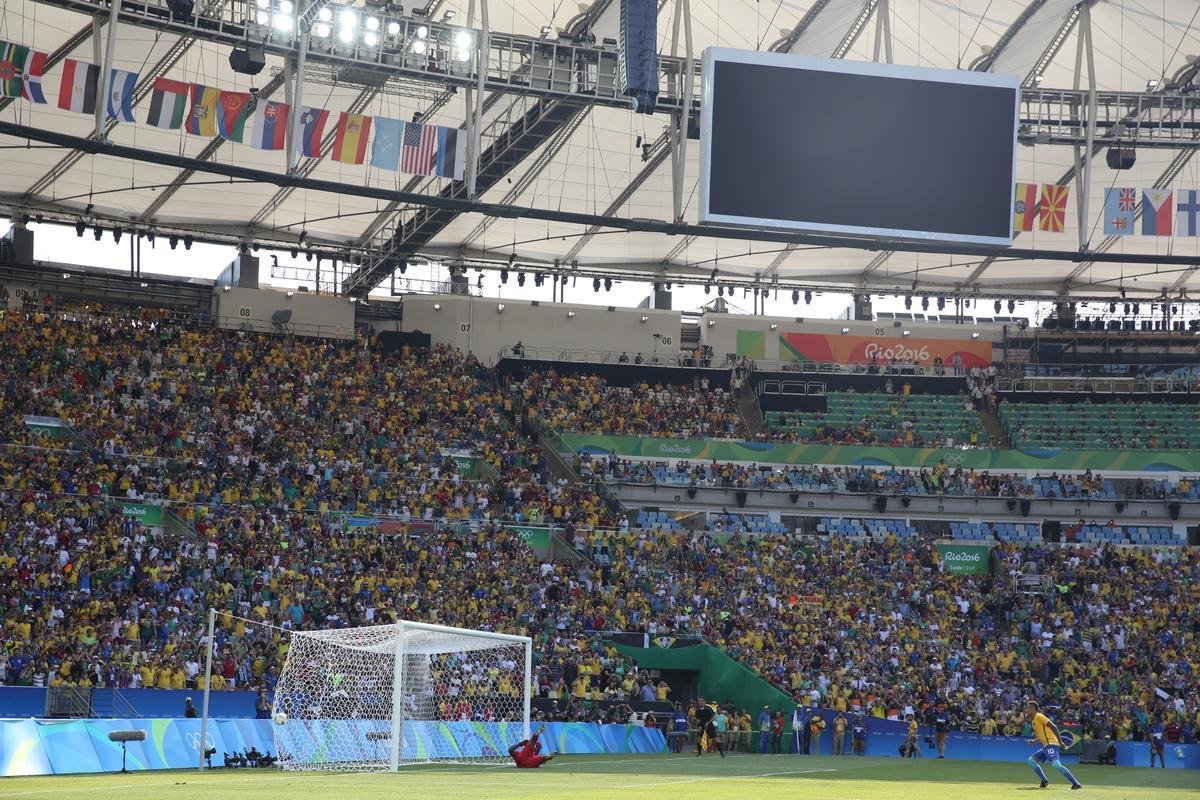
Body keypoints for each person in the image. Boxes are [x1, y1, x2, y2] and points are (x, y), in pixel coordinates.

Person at [1024, 700, 1082, 790]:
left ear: (1033, 709)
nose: (1026, 709)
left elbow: (1053, 726)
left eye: (1028, 708)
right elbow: (1042, 733)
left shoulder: (1039, 716)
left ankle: (1075, 783)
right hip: (1045, 747)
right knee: (1031, 761)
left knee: (1056, 765)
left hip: (1051, 744)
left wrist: (1060, 741)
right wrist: (1034, 740)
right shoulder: (1033, 721)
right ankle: (1044, 781)